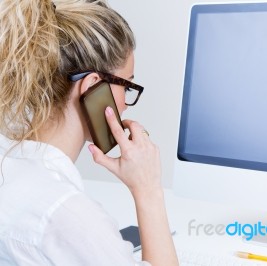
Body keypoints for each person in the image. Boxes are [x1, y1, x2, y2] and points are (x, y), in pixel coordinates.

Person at [0, 0, 178, 265]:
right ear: (93, 86)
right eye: (126, 86)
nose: (124, 106)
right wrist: (148, 189)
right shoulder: (70, 215)